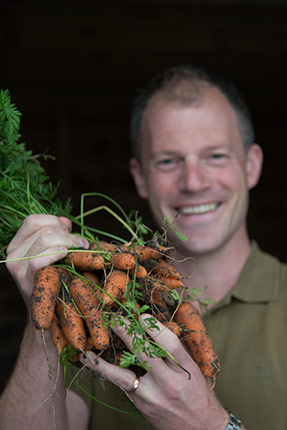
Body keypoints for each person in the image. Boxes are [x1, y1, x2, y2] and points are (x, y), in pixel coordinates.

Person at [0, 64, 286, 430]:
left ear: (251, 165)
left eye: (215, 156)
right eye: (169, 161)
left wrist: (205, 423)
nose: (193, 182)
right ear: (140, 177)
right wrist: (40, 310)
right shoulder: (99, 304)